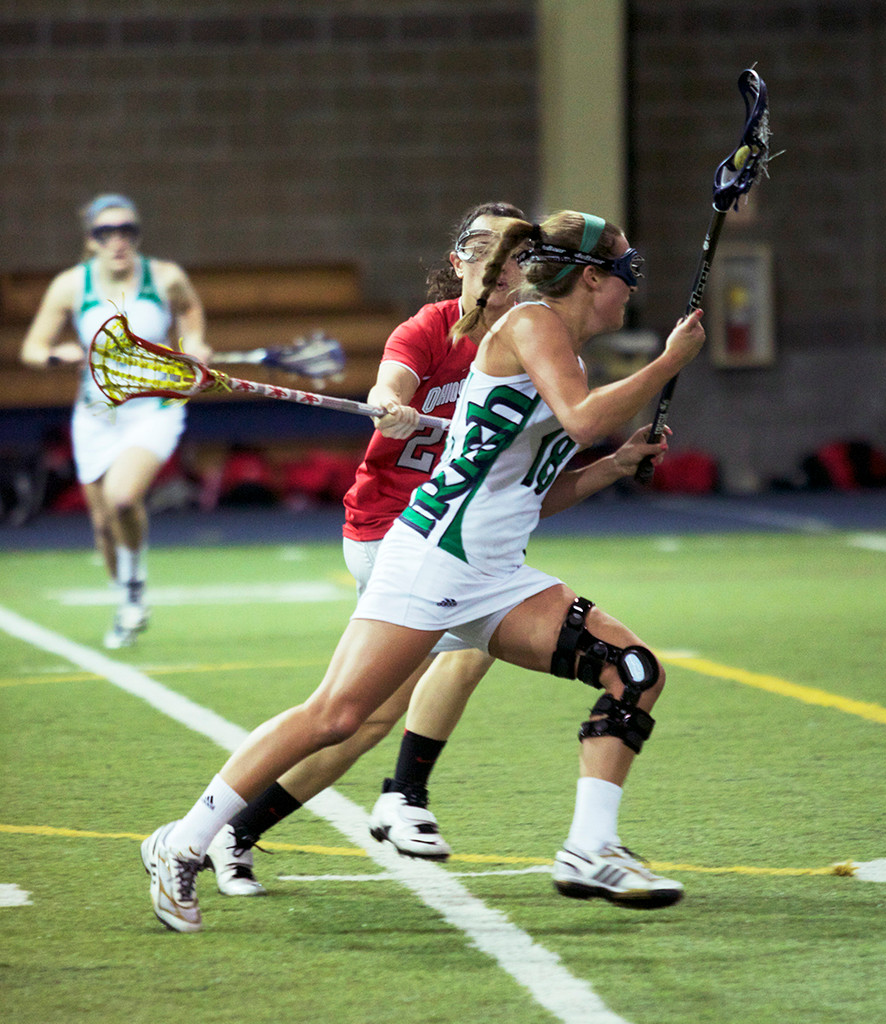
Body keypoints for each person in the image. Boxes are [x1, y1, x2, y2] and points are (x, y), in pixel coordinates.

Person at [142, 209, 706, 932]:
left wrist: (616, 467)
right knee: (335, 715)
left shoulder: (559, 349)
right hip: (434, 555)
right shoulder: (533, 325)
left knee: (632, 672)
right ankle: (183, 842)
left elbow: (533, 496)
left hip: (494, 571)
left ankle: (589, 850)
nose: (630, 292)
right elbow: (582, 422)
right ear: (591, 278)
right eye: (625, 277)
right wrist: (664, 364)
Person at [203, 202, 527, 895]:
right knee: (446, 661)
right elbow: (392, 377)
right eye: (483, 248)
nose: (500, 264)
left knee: (361, 717)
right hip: (389, 526)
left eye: (516, 251)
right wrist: (392, 401)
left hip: (451, 531)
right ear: (457, 263)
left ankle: (236, 830)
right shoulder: (429, 329)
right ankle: (401, 799)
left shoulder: (534, 342)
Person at [21, 194, 210, 649]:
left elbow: (189, 312)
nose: (118, 241)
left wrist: (195, 343)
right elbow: (31, 348)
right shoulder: (71, 285)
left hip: (154, 409)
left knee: (123, 497)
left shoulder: (165, 277)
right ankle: (127, 596)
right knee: (103, 524)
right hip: (96, 416)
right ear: (90, 240)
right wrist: (54, 355)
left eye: (127, 230)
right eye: (106, 233)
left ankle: (135, 586)